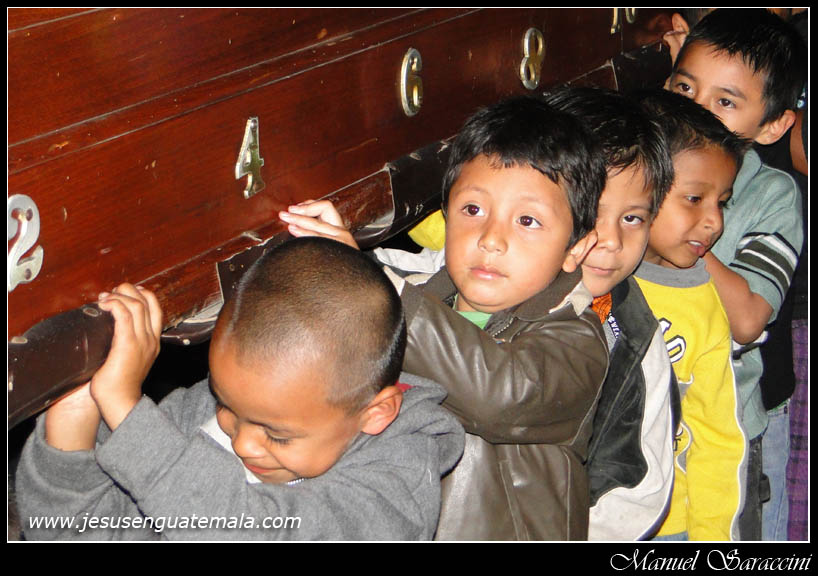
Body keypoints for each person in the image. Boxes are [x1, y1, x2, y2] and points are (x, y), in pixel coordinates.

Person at [279, 95, 610, 540]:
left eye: (527, 221)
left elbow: (499, 396)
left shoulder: (577, 341)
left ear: (576, 249)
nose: (491, 238)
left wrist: (372, 287)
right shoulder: (416, 298)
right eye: (473, 210)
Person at [15, 237, 465, 541]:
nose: (242, 442)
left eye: (277, 435)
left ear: (376, 413)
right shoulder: (208, 411)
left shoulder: (396, 482)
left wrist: (129, 415)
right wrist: (75, 419)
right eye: (227, 405)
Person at [666, 8, 806, 541]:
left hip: (726, 436)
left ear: (772, 126)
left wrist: (679, 229)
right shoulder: (638, 165)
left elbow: (747, 320)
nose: (695, 111)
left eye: (725, 102)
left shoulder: (771, 195)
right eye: (685, 88)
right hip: (641, 424)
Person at [544, 86, 679, 541]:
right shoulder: (478, 281)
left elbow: (636, 493)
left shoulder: (634, 338)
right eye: (592, 212)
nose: (612, 241)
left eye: (632, 218)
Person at [632, 89, 750, 541]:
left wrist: (712, 539)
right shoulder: (587, 268)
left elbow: (717, 439)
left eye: (722, 201)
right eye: (695, 198)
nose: (714, 221)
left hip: (668, 527)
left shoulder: (703, 304)